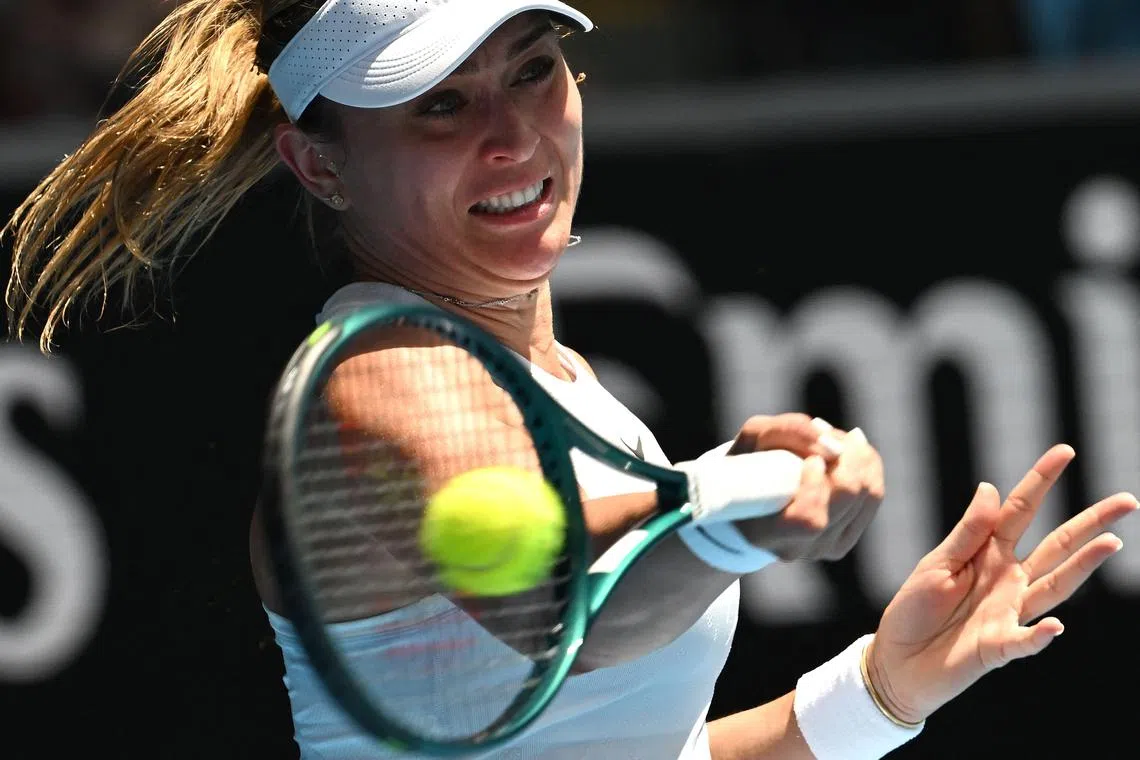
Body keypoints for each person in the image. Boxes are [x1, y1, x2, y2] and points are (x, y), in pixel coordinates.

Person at [3, 1, 1134, 758]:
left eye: (533, 71)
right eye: (439, 103)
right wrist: (734, 527)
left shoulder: (566, 387)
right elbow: (559, 611)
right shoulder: (382, 385)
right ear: (320, 163)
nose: (513, 135)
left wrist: (881, 691)